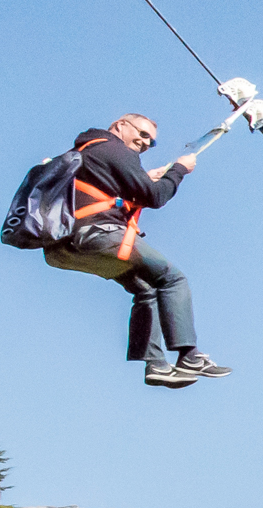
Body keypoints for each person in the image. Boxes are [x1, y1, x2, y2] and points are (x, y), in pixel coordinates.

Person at [62, 113, 225, 391]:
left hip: (68, 247)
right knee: (173, 279)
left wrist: (144, 180)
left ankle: (156, 365)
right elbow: (155, 196)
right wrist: (179, 170)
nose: (145, 142)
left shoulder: (87, 151)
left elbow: (115, 191)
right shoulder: (113, 147)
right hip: (99, 237)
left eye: (151, 141)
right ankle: (189, 355)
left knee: (146, 289)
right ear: (120, 126)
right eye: (142, 133)